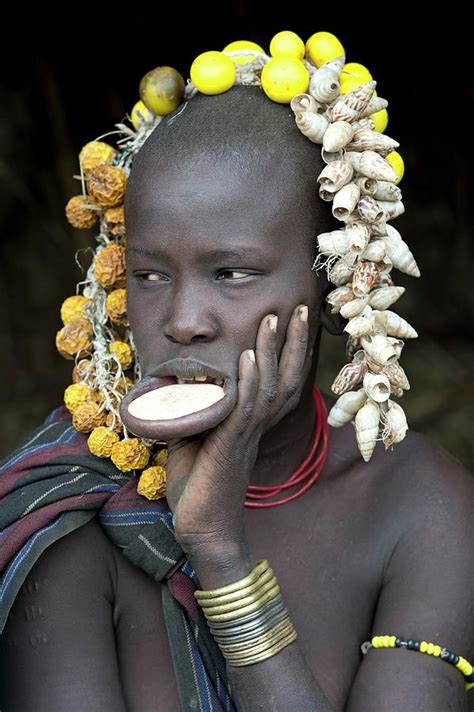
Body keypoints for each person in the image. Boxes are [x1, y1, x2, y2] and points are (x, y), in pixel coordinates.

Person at [0, 32, 473, 712]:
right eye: (150, 275)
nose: (185, 319)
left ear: (337, 287)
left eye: (232, 273)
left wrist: (220, 553)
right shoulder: (71, 512)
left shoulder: (421, 507)